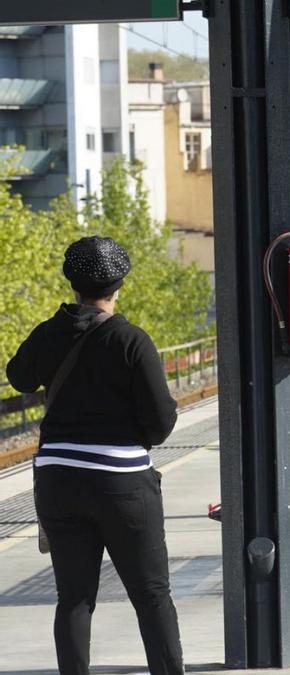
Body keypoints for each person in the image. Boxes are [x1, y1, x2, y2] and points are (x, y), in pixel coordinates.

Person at [6, 236, 184, 675]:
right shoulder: (131, 340)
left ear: (72, 284)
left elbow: (18, 377)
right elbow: (161, 423)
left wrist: (53, 332)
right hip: (122, 483)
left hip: (58, 480)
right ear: (119, 284)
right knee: (151, 595)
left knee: (75, 597)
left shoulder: (51, 332)